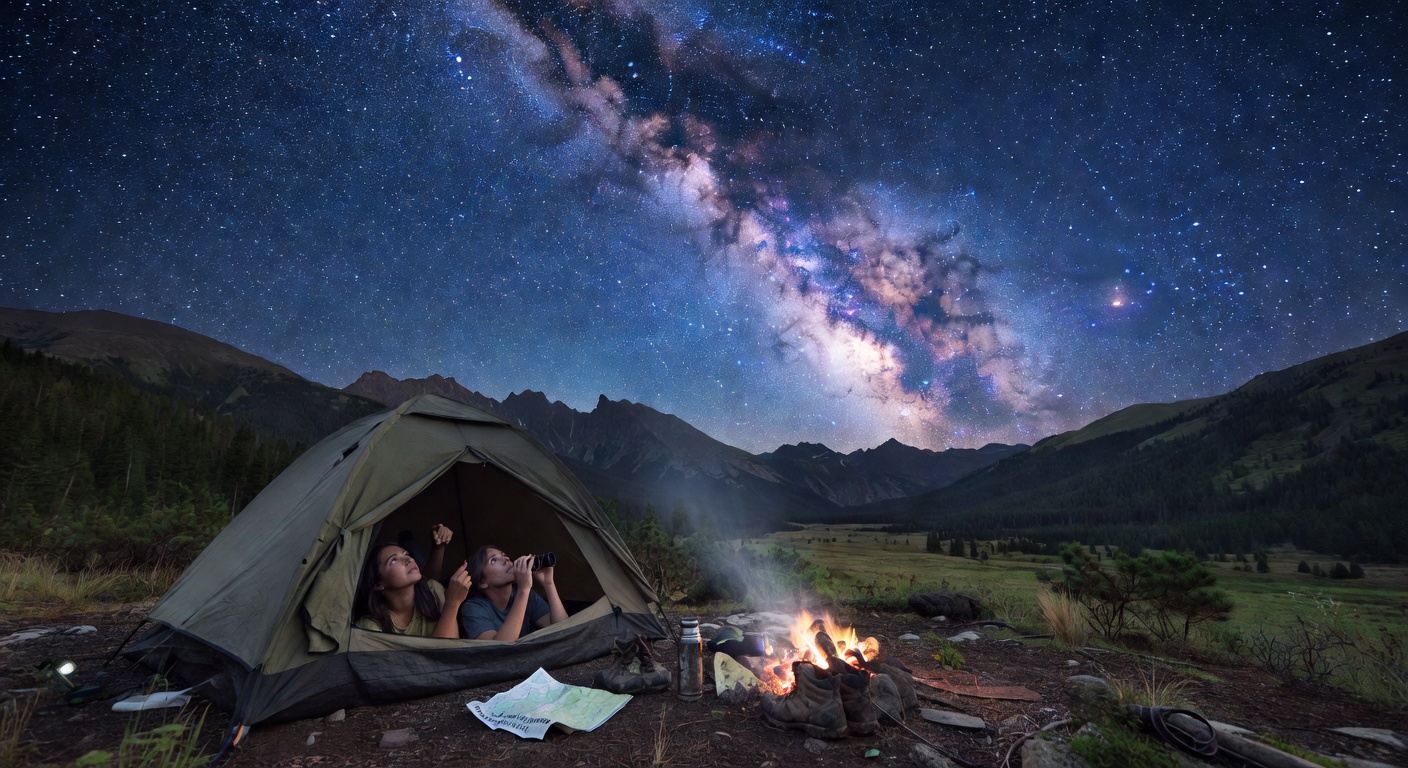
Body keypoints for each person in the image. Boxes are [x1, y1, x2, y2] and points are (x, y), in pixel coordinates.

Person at [355, 533, 471, 638]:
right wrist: (452, 603)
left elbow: (453, 650)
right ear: (378, 584)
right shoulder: (370, 627)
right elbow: (439, 657)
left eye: (406, 554)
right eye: (394, 560)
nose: (408, 559)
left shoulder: (433, 591)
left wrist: (452, 603)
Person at [460, 546, 567, 641]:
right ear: (482, 582)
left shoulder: (526, 595)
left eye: (504, 555)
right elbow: (497, 649)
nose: (506, 559)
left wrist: (548, 584)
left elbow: (564, 630)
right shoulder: (473, 607)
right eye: (493, 560)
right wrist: (523, 590)